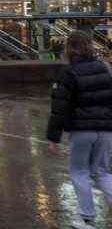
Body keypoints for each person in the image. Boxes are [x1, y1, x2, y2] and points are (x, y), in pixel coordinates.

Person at [47, 31, 112, 229]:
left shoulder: (69, 72)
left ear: (69, 48)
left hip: (81, 130)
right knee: (102, 172)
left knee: (79, 172)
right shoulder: (103, 68)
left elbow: (59, 107)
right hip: (106, 129)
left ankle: (87, 219)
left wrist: (53, 137)